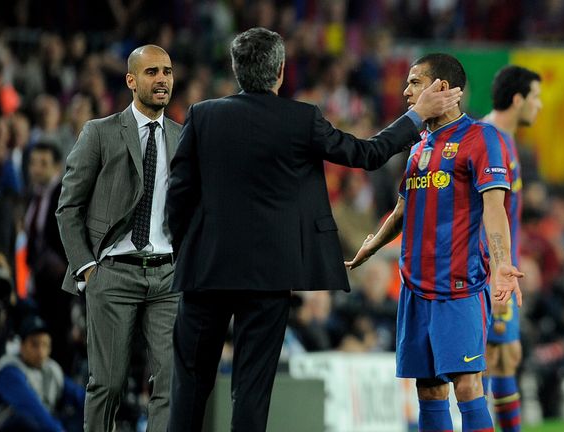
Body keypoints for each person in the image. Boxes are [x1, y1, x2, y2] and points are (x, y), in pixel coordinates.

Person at [165, 28, 462, 432]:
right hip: (268, 276)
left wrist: (185, 254)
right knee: (251, 389)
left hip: (204, 270)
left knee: (189, 385)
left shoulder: (203, 115)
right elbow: (367, 154)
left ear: (237, 69)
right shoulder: (300, 119)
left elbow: (178, 194)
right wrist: (416, 116)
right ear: (281, 71)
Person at [346, 53, 523, 432]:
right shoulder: (418, 144)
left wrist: (502, 262)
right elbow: (402, 209)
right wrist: (372, 246)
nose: (406, 91)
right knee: (427, 390)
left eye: (414, 82)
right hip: (414, 287)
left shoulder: (481, 138)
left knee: (467, 384)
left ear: (441, 87)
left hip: (458, 285)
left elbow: (495, 207)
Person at [56, 45, 180, 432]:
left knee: (170, 385)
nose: (162, 79)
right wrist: (89, 268)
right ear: (131, 81)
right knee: (107, 385)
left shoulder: (183, 138)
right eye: (152, 72)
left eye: (167, 72)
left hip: (168, 277)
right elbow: (68, 207)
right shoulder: (99, 132)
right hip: (113, 275)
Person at [479, 65, 542, 432]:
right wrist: (494, 268)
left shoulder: (505, 139)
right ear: (517, 100)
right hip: (490, 269)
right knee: (492, 356)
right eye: (535, 97)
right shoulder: (489, 140)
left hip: (505, 265)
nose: (540, 105)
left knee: (507, 355)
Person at [0, 316, 85, 432]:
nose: (40, 351)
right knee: (25, 421)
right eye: (34, 344)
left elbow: (79, 396)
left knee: (83, 416)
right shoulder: (9, 369)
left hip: (40, 423)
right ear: (22, 346)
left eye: (45, 345)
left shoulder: (50, 369)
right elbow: (32, 408)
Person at [25, 142, 71, 372]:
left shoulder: (64, 194)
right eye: (33, 163)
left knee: (58, 343)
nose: (36, 169)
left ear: (56, 167)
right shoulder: (33, 195)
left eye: (43, 163)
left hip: (61, 287)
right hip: (40, 284)